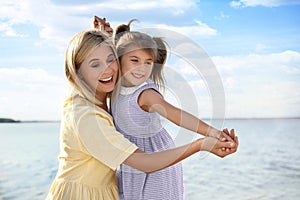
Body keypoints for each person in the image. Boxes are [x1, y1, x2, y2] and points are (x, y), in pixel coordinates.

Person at [45, 29, 238, 200]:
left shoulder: (130, 91)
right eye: (95, 64)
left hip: (153, 165)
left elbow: (176, 115)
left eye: (110, 59)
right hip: (89, 191)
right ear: (76, 73)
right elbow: (143, 163)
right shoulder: (88, 116)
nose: (107, 69)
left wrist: (213, 133)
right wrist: (200, 144)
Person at [111, 23, 236, 200]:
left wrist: (214, 133)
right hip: (132, 160)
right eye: (134, 60)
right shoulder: (115, 84)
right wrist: (105, 34)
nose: (142, 68)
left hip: (157, 161)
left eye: (148, 63)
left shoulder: (145, 94)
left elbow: (178, 116)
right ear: (119, 59)